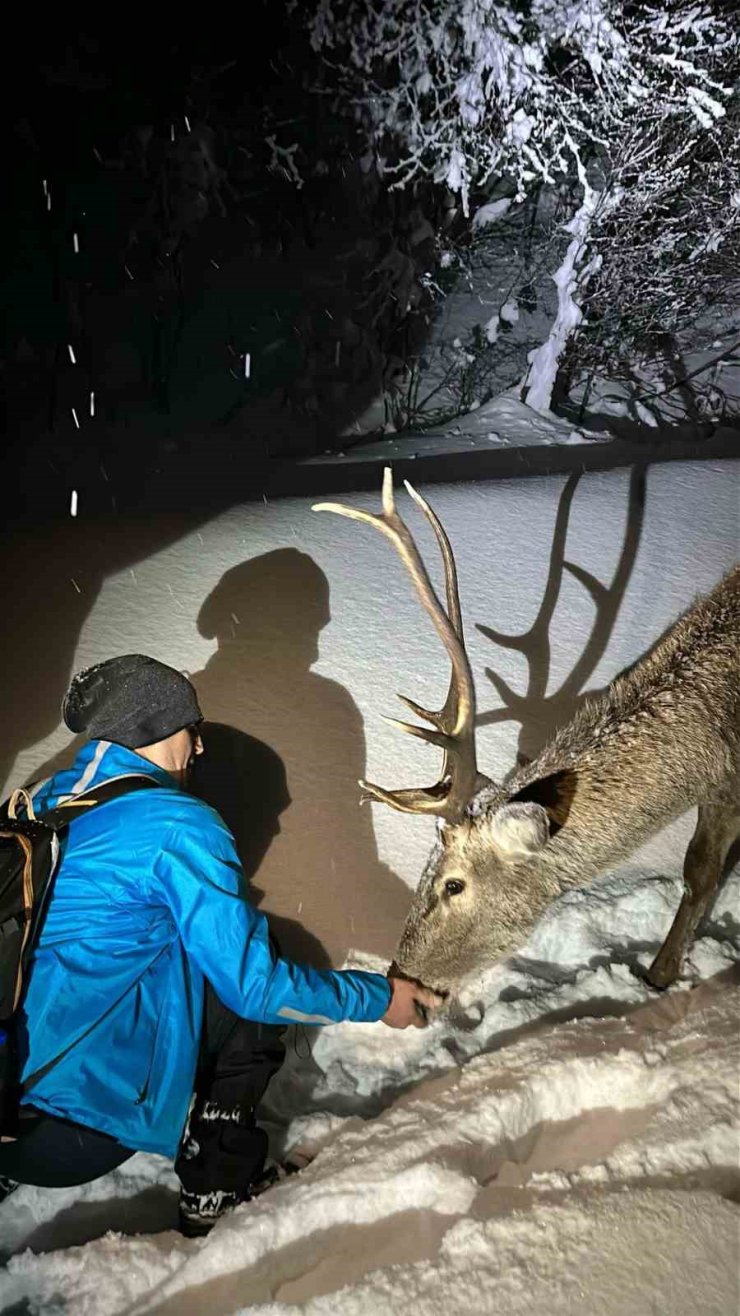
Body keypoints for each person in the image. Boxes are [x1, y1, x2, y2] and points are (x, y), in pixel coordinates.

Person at [0, 655, 439, 1236]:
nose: (199, 748)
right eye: (191, 729)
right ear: (153, 728)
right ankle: (218, 1189)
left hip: (10, 1108)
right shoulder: (177, 824)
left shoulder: (42, 803)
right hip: (76, 1135)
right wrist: (381, 998)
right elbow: (256, 987)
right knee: (248, 977)